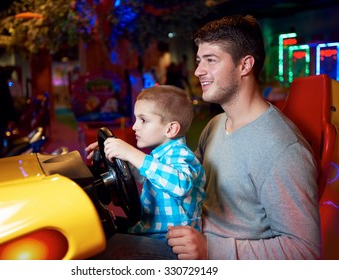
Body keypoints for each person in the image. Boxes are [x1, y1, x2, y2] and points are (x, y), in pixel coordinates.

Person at [88, 15, 321, 260]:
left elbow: (305, 252)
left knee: (99, 256)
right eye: (199, 60)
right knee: (96, 232)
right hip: (182, 237)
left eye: (211, 60)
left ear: (245, 65)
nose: (198, 71)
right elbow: (183, 182)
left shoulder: (283, 149)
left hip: (210, 257)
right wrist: (123, 163)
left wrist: (211, 249)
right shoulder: (216, 125)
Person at [86, 85, 206, 242]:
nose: (135, 126)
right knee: (96, 226)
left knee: (103, 249)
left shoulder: (181, 155)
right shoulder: (160, 155)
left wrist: (131, 153)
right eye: (136, 119)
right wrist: (123, 160)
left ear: (170, 129)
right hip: (148, 230)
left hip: (167, 244)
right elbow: (148, 177)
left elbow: (180, 185)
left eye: (143, 120)